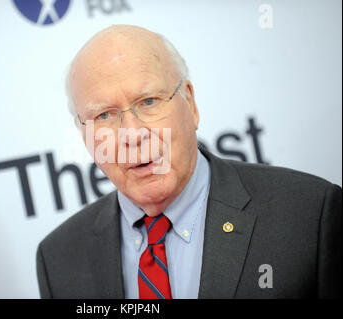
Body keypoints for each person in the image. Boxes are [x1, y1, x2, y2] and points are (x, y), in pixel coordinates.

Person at [36, 25, 342, 299]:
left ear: (191, 104)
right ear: (83, 133)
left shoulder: (308, 215)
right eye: (104, 115)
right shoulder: (58, 259)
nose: (132, 134)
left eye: (149, 101)